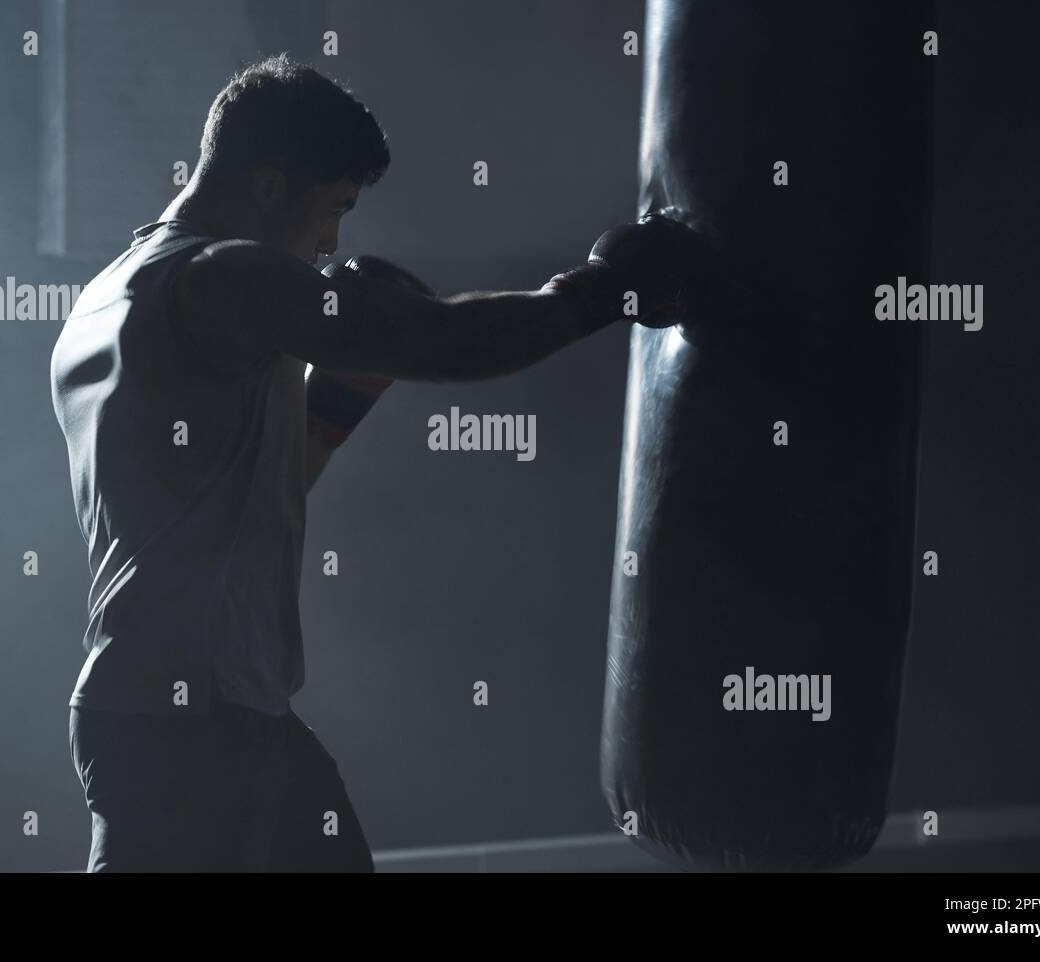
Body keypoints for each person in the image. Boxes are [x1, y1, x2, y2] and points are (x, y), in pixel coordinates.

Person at [50, 52, 699, 872]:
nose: (331, 243)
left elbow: (244, 485)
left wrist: (338, 397)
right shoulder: (219, 277)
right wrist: (605, 290)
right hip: (191, 729)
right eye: (333, 209)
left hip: (214, 717)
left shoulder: (108, 293)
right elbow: (449, 343)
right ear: (268, 186)